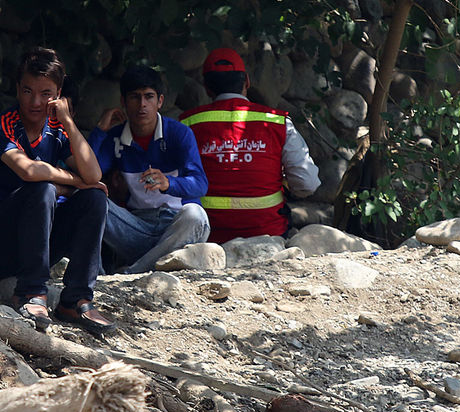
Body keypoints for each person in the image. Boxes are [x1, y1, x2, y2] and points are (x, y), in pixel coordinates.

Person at [0, 47, 116, 335]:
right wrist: (74, 181)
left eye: (45, 93)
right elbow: (30, 171)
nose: (35, 101)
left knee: (94, 198)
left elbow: (94, 176)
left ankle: (76, 299)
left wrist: (68, 121)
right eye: (27, 91)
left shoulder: (58, 127)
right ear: (17, 89)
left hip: (35, 244)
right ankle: (32, 292)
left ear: (58, 94)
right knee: (43, 189)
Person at [179, 48, 320, 242]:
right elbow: (307, 183)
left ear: (206, 88)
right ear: (247, 81)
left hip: (207, 236)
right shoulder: (277, 122)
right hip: (268, 234)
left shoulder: (187, 124)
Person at [89, 65, 209, 273]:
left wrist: (168, 183)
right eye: (135, 97)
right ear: (123, 102)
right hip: (136, 228)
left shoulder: (179, 133)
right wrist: (99, 131)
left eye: (149, 97)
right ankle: (96, 276)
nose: (142, 105)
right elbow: (90, 174)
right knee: (90, 197)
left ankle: (133, 272)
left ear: (160, 101)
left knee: (196, 215)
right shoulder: (115, 137)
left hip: (176, 226)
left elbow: (200, 184)